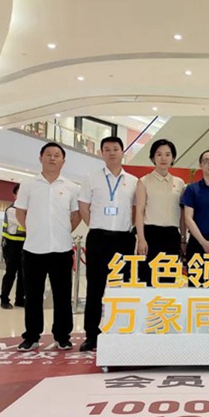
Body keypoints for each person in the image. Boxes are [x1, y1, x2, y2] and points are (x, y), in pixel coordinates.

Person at [15, 142, 81, 351]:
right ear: (40, 157)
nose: (52, 158)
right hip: (34, 248)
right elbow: (20, 212)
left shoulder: (71, 187)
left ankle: (62, 336)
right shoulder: (28, 184)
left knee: (62, 296)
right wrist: (34, 230)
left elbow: (76, 215)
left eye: (57, 155)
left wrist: (63, 230)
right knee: (33, 296)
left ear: (63, 161)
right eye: (49, 154)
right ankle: (31, 336)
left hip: (61, 249)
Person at [78, 136, 138, 351]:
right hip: (98, 238)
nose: (112, 153)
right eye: (107, 149)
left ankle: (121, 331)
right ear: (101, 153)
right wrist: (97, 225)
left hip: (124, 239)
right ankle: (92, 335)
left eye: (115, 149)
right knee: (95, 288)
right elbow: (83, 207)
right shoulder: (91, 178)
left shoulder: (133, 181)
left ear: (123, 152)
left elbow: (136, 210)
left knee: (122, 287)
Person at [136, 139, 185, 286]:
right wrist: (141, 239)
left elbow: (183, 215)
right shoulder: (144, 181)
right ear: (153, 158)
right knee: (146, 279)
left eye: (167, 154)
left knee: (168, 281)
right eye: (159, 154)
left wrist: (183, 238)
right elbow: (139, 211)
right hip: (150, 234)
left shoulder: (180, 183)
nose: (163, 158)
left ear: (173, 158)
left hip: (172, 235)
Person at [0, 184, 26, 309]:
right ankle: (4, 299)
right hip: (11, 245)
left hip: (24, 244)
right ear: (14, 195)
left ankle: (19, 299)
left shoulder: (26, 210)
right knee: (10, 272)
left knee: (23, 273)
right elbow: (25, 223)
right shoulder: (12, 210)